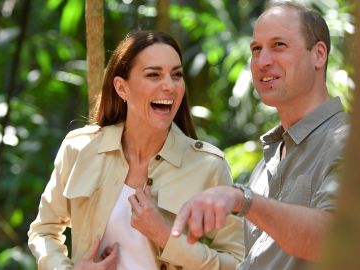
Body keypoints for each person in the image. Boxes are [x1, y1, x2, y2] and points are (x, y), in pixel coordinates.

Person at [28, 30, 244, 270]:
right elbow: (44, 230)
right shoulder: (80, 149)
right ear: (121, 88)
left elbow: (237, 263)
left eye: (176, 75)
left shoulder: (209, 167)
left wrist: (165, 236)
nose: (169, 86)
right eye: (154, 75)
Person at [171, 2, 350, 270]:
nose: (263, 62)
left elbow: (337, 240)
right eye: (256, 49)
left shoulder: (348, 141)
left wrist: (243, 200)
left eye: (279, 45)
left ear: (319, 55)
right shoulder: (265, 164)